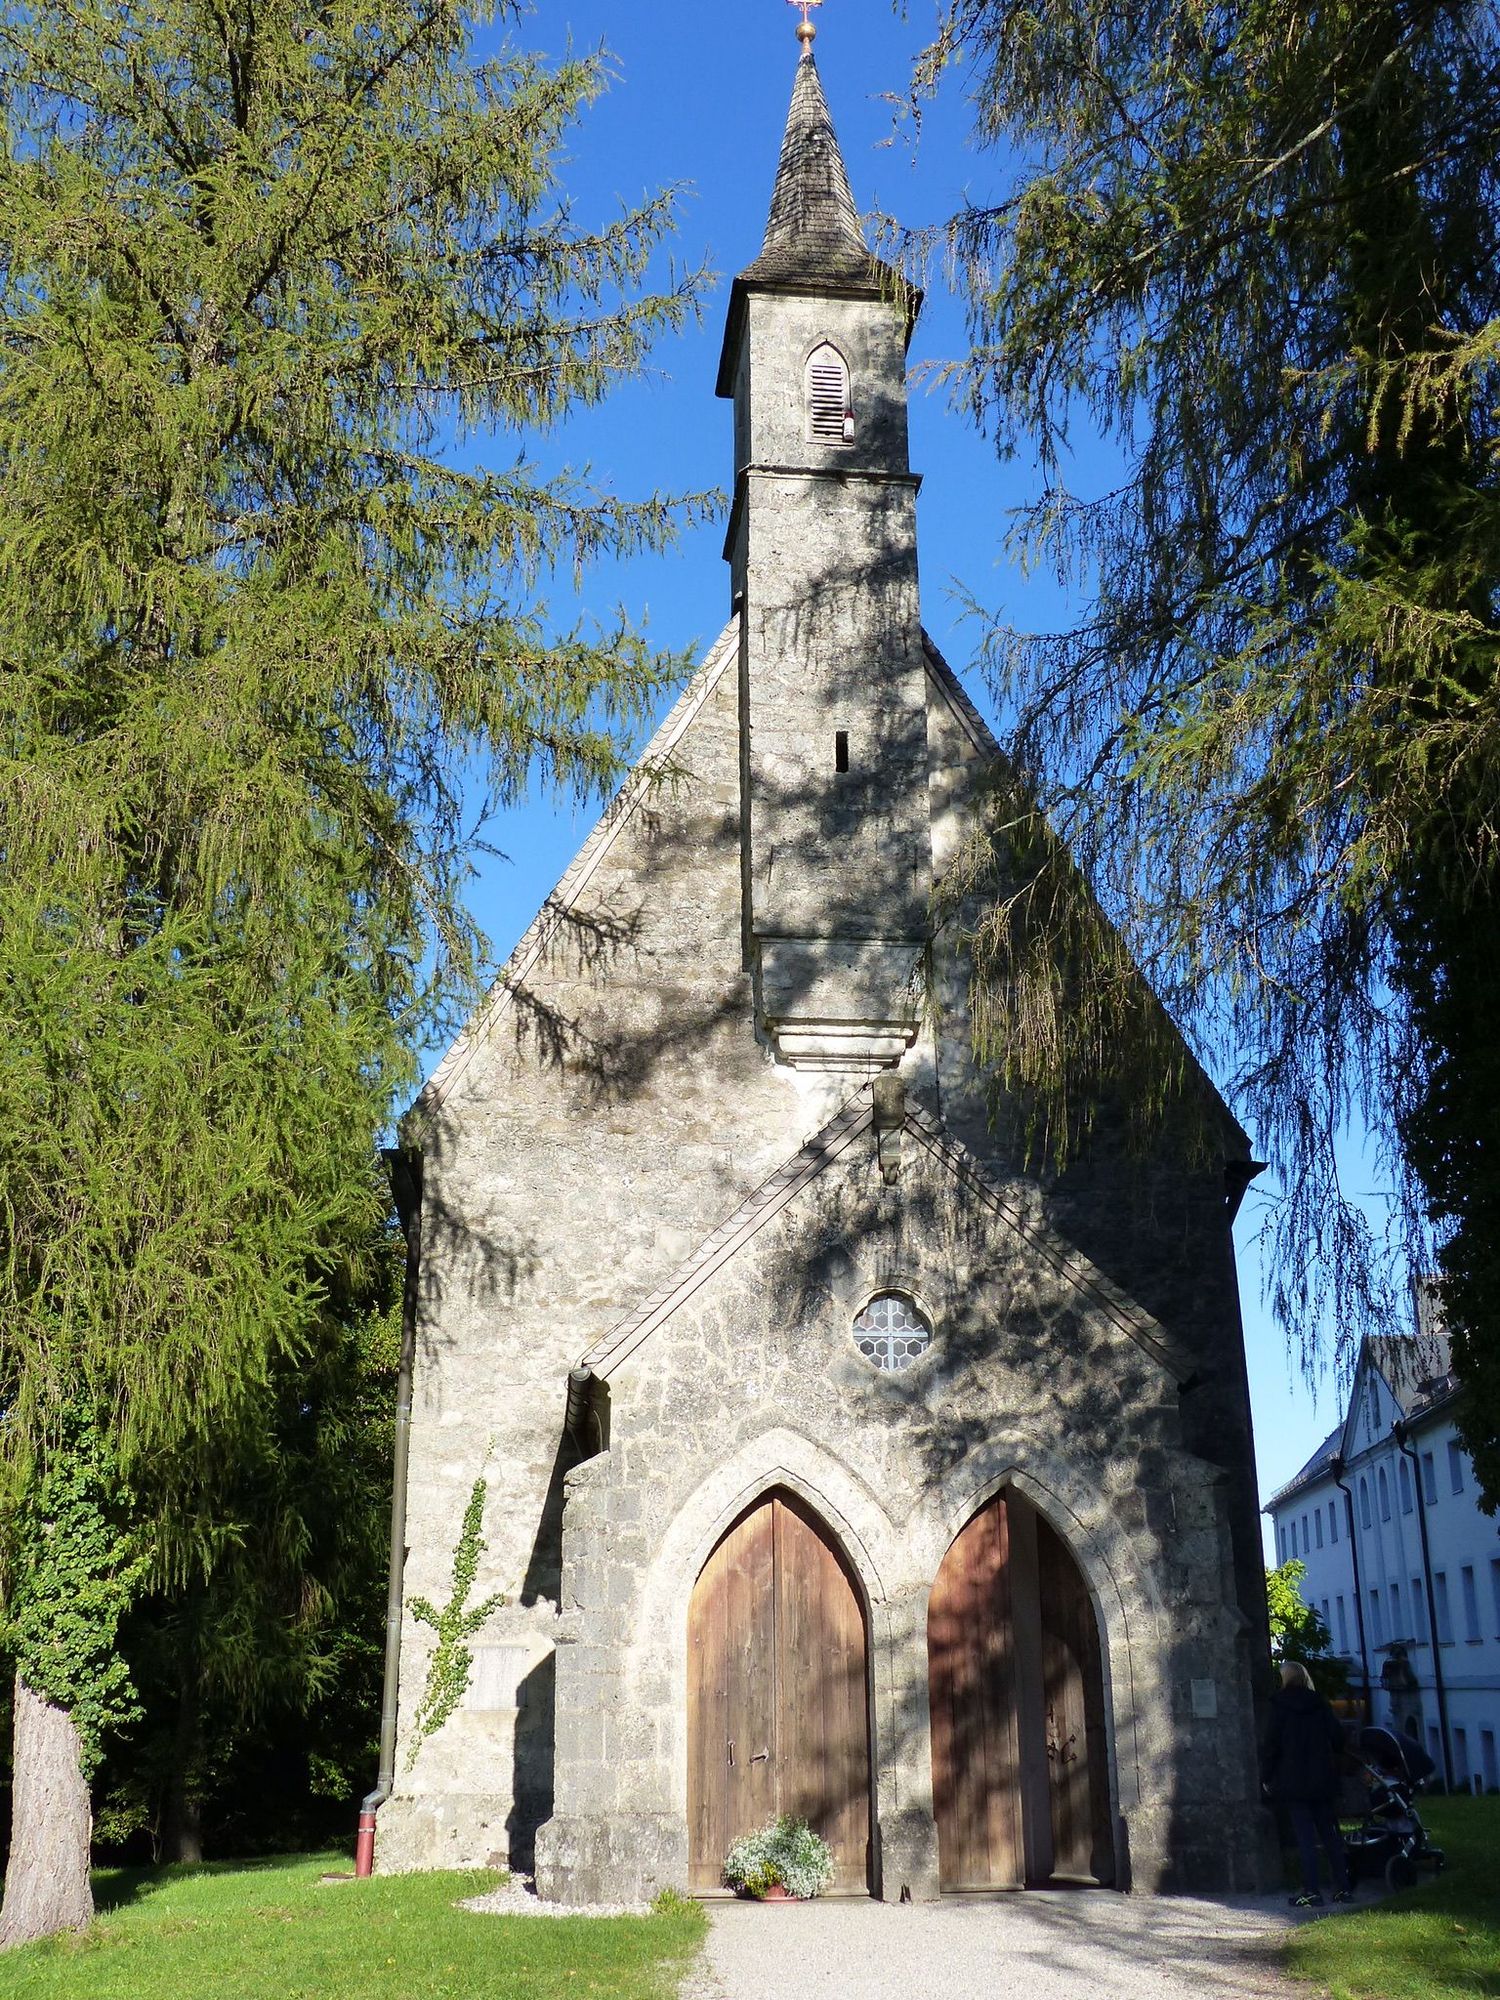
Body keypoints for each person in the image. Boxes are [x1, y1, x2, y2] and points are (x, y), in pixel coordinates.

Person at [1261, 1660, 1353, 1908]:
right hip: (1322, 1778)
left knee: (1305, 1838)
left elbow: (1271, 1746)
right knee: (1330, 1836)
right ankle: (1343, 1888)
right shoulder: (1319, 1703)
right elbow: (1338, 1738)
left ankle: (1312, 1890)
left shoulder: (1279, 1706)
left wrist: (1266, 1777)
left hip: (1294, 1779)